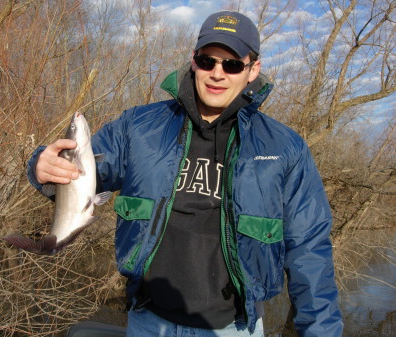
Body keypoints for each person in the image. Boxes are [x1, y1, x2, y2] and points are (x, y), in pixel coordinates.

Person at [27, 11, 343, 337]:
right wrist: (43, 166)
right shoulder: (138, 127)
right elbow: (81, 172)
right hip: (148, 321)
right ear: (194, 61)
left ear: (253, 70)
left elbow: (310, 251)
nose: (217, 73)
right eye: (208, 61)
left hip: (233, 329)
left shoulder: (285, 148)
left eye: (232, 64)